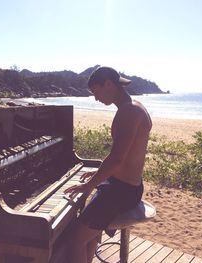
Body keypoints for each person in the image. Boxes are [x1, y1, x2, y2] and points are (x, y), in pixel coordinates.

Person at [64, 66, 152, 263]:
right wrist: (99, 173)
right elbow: (121, 156)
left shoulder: (128, 112)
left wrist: (89, 185)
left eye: (96, 91)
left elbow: (117, 159)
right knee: (90, 230)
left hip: (121, 191)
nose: (96, 98)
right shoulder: (135, 106)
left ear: (109, 84)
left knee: (73, 240)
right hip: (123, 186)